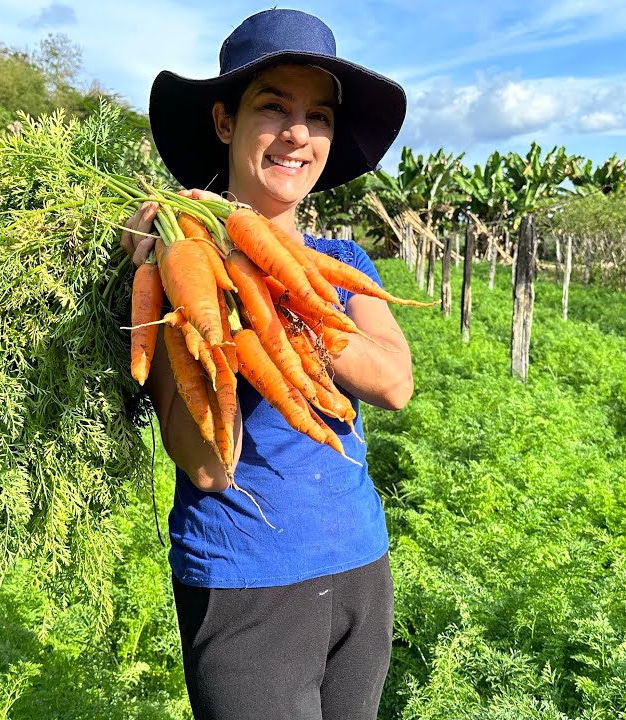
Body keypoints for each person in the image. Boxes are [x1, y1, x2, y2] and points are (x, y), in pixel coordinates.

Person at [119, 9, 413, 719]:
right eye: (273, 107)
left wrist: (287, 297)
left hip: (360, 566)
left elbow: (394, 384)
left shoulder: (342, 264)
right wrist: (182, 293)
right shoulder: (172, 270)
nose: (298, 134)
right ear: (224, 122)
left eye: (318, 117)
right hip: (246, 575)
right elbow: (207, 464)